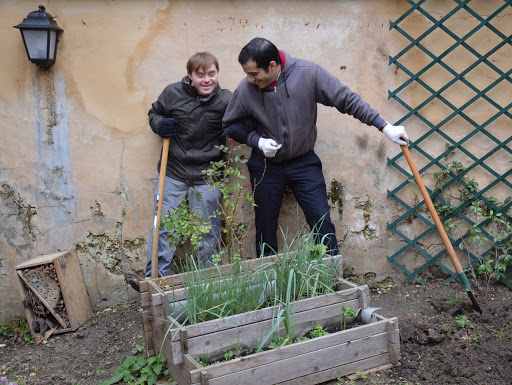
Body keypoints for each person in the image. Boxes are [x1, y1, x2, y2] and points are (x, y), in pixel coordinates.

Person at [222, 37, 409, 257]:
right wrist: (258, 142)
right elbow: (230, 126)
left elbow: (347, 100)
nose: (250, 79)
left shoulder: (308, 73)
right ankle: (270, 286)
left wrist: (384, 127)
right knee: (265, 228)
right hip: (265, 166)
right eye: (247, 73)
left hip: (303, 162)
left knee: (322, 222)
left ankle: (331, 280)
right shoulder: (246, 89)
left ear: (272, 66)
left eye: (254, 73)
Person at [129, 52, 244, 291]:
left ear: (217, 73)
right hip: (173, 173)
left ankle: (210, 286)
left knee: (208, 233)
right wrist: (159, 124)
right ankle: (155, 283)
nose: (206, 80)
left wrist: (233, 131)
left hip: (207, 176)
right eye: (200, 75)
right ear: (190, 76)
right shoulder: (173, 93)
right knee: (164, 228)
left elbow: (243, 122)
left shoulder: (226, 100)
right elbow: (155, 113)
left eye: (211, 74)